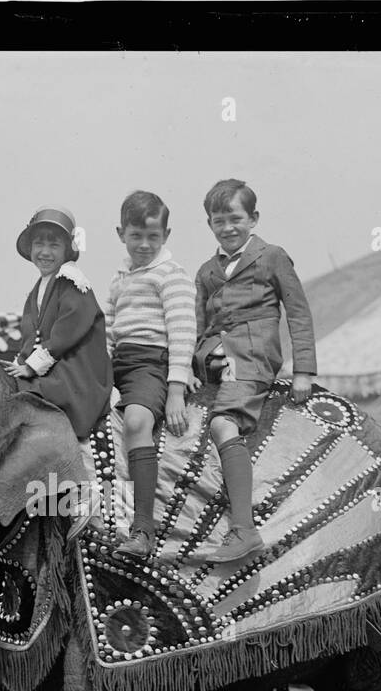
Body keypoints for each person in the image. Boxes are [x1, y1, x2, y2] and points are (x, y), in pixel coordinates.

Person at [194, 178, 317, 564]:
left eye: (235, 218)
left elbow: (298, 312)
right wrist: (192, 366)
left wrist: (303, 372)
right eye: (218, 221)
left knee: (222, 424)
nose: (228, 228)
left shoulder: (273, 256)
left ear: (254, 218)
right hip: (215, 354)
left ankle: (245, 528)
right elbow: (199, 325)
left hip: (252, 354)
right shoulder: (205, 271)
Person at [102, 190, 198, 558]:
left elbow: (182, 331)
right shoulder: (119, 277)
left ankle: (143, 529)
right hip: (119, 362)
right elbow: (109, 331)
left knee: (138, 421)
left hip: (151, 362)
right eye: (136, 236)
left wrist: (175, 389)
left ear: (166, 236)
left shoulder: (171, 276)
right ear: (120, 233)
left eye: (153, 237)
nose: (144, 244)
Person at [8, 206, 112, 443]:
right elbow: (30, 337)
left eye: (54, 245)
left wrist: (31, 367)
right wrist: (20, 364)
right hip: (57, 366)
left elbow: (65, 335)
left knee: (23, 394)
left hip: (75, 372)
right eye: (39, 245)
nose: (45, 252)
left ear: (67, 250)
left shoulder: (72, 281)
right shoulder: (39, 287)